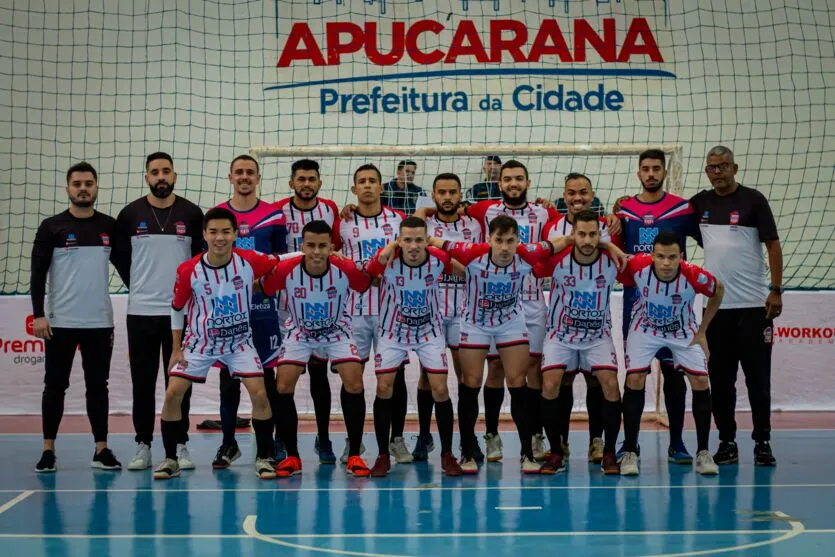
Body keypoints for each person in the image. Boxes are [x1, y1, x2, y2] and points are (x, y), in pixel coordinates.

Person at [428, 215, 573, 474]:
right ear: (488, 240)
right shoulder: (471, 253)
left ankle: (527, 453)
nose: (505, 247)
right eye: (499, 241)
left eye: (510, 241)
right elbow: (433, 241)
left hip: (510, 323)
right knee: (470, 383)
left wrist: (596, 242)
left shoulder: (527, 254)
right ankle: (468, 450)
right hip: (475, 324)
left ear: (519, 240)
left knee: (518, 384)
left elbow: (559, 243)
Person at [153, 207, 279, 480]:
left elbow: (282, 262)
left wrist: (323, 255)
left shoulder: (249, 260)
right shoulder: (189, 269)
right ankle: (170, 458)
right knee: (173, 393)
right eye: (213, 232)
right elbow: (176, 308)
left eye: (225, 232)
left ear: (235, 234)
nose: (219, 237)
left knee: (259, 394)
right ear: (204, 235)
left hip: (240, 343)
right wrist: (176, 348)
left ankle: (264, 458)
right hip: (200, 344)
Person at [31, 161, 128, 472]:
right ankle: (48, 450)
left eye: (89, 183)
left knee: (98, 386)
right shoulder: (51, 227)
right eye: (77, 184)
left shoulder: (110, 227)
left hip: (99, 322)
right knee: (55, 386)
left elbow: (128, 272)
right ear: (68, 188)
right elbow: (37, 274)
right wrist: (38, 315)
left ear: (96, 187)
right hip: (60, 323)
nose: (83, 188)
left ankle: (101, 449)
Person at [690, 145, 782, 467]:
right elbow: (668, 220)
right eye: (712, 166)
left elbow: (773, 244)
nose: (718, 171)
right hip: (716, 312)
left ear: (735, 167)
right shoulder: (699, 203)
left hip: (756, 307)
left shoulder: (754, 200)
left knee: (758, 380)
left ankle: (762, 442)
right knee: (721, 380)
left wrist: (776, 290)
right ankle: (726, 441)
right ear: (706, 171)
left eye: (723, 165)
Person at [260, 220, 374, 478]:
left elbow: (368, 281)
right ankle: (293, 456)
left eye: (323, 246)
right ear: (302, 246)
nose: (316, 251)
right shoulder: (286, 269)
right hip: (300, 333)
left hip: (338, 331)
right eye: (310, 245)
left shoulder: (344, 269)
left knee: (354, 382)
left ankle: (354, 453)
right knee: (283, 385)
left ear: (332, 247)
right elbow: (263, 286)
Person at [115, 152, 204, 471]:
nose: (161, 176)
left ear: (175, 176)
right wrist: (138, 283)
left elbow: (199, 262)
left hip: (182, 314)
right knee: (142, 381)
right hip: (140, 313)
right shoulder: (129, 215)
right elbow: (120, 258)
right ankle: (143, 444)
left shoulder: (193, 214)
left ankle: (180, 444)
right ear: (147, 177)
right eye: (155, 172)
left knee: (179, 382)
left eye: (166, 171)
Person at [615, 149, 699, 465]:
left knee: (673, 373)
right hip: (636, 304)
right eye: (645, 169)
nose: (650, 174)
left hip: (675, 306)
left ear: (664, 172)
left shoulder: (682, 209)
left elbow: (710, 238)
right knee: (634, 375)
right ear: (638, 173)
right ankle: (631, 443)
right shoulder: (624, 211)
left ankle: (677, 442)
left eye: (656, 168)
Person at [618, 230, 725, 476]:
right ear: (652, 255)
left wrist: (703, 329)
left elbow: (718, 289)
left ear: (681, 256)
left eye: (672, 257)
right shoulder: (639, 265)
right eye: (661, 256)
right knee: (634, 378)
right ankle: (631, 451)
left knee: (700, 380)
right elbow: (615, 259)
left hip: (682, 330)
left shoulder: (694, 275)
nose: (666, 263)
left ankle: (703, 452)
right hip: (644, 328)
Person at [365, 217, 464, 477]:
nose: (413, 246)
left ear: (427, 240)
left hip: (428, 331)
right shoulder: (386, 261)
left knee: (440, 388)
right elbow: (366, 275)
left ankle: (447, 454)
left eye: (419, 239)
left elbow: (464, 271)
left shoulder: (438, 260)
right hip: (392, 332)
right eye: (407, 240)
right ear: (399, 241)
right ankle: (382, 455)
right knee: (384, 386)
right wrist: (385, 250)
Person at [533, 211, 624, 475]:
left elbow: (641, 270)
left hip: (597, 337)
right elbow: (532, 260)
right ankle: (556, 451)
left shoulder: (612, 260)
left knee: (610, 384)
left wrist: (610, 246)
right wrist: (561, 243)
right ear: (573, 234)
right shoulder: (558, 259)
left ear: (600, 235)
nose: (586, 240)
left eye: (593, 234)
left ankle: (608, 451)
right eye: (581, 234)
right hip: (560, 336)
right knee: (550, 384)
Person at [213, 155, 288, 469]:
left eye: (250, 173)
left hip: (262, 310)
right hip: (229, 310)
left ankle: (266, 445)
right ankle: (228, 443)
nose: (244, 177)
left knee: (266, 381)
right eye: (239, 172)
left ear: (258, 177)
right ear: (230, 177)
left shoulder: (274, 216)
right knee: (228, 379)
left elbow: (281, 261)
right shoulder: (217, 216)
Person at [339, 164, 410, 463]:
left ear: (382, 187)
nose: (367, 186)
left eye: (373, 181)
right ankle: (353, 443)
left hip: (390, 310)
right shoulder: (341, 221)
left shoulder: (398, 220)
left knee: (395, 377)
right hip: (353, 309)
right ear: (354, 189)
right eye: (361, 182)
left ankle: (396, 439)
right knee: (351, 379)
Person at [274, 159, 341, 464]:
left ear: (319, 182)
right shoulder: (277, 211)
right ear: (292, 183)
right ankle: (282, 439)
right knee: (284, 376)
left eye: (311, 179)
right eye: (301, 179)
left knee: (319, 372)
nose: (306, 184)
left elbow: (336, 249)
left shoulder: (330, 209)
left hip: (321, 302)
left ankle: (323, 437)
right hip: (287, 302)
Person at [414, 173, 485, 462]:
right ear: (433, 194)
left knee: (466, 377)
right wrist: (423, 209)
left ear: (460, 195)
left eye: (452, 192)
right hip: (431, 311)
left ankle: (468, 439)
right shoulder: (424, 225)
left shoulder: (474, 225)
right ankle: (423, 435)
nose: (447, 197)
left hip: (464, 312)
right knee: (427, 376)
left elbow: (474, 265)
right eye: (441, 192)